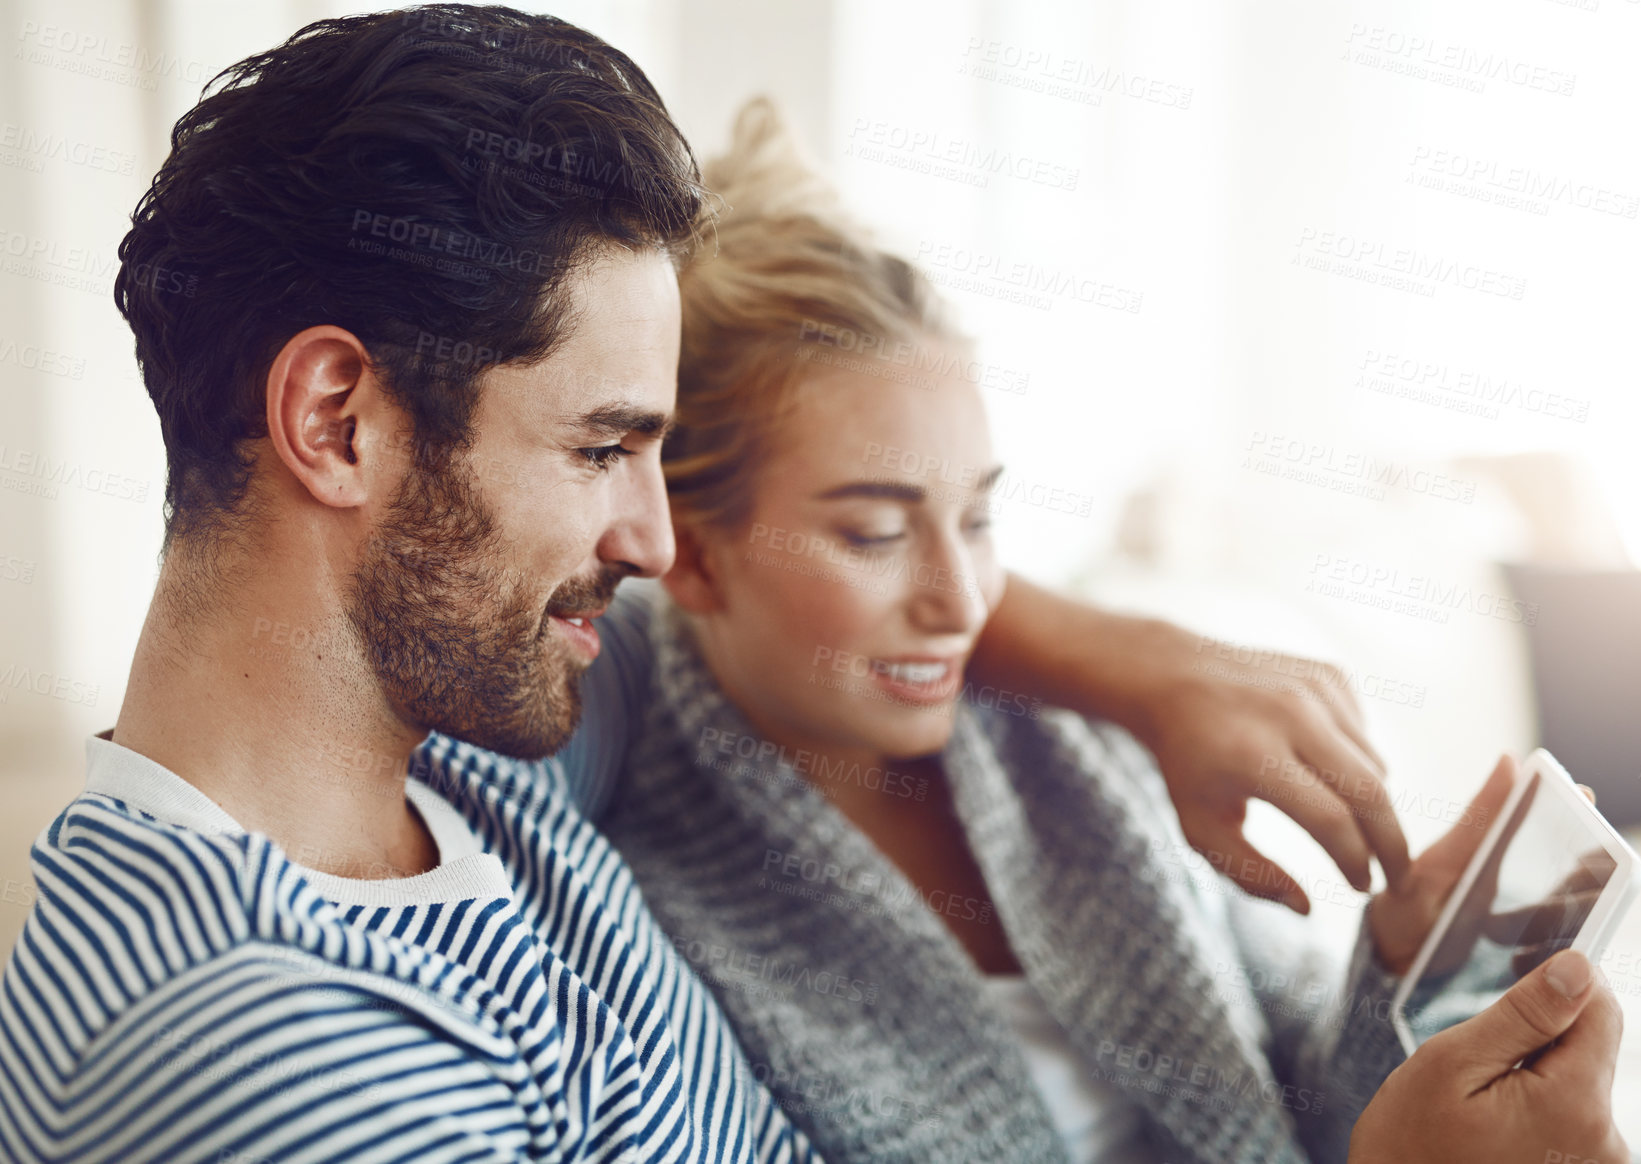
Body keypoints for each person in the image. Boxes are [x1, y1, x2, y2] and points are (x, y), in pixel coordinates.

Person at [0, 8, 1427, 1163]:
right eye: (604, 445)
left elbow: (799, 607)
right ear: (338, 423)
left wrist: (1150, 670)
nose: (654, 541)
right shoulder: (264, 1054)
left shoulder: (471, 756)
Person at [598, 99, 1634, 1164]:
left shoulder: (1074, 746)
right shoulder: (646, 904)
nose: (964, 600)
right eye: (872, 532)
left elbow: (1305, 1101)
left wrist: (1398, 976)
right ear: (695, 551)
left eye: (980, 518)